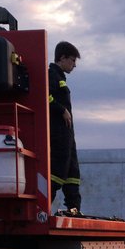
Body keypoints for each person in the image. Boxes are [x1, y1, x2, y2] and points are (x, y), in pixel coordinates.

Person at [49, 41, 82, 215]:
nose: (74, 64)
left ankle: (74, 209)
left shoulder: (60, 77)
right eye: (72, 60)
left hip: (68, 136)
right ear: (62, 58)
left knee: (73, 173)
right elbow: (44, 96)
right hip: (58, 135)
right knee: (57, 172)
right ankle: (43, 207)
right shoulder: (51, 75)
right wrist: (62, 110)